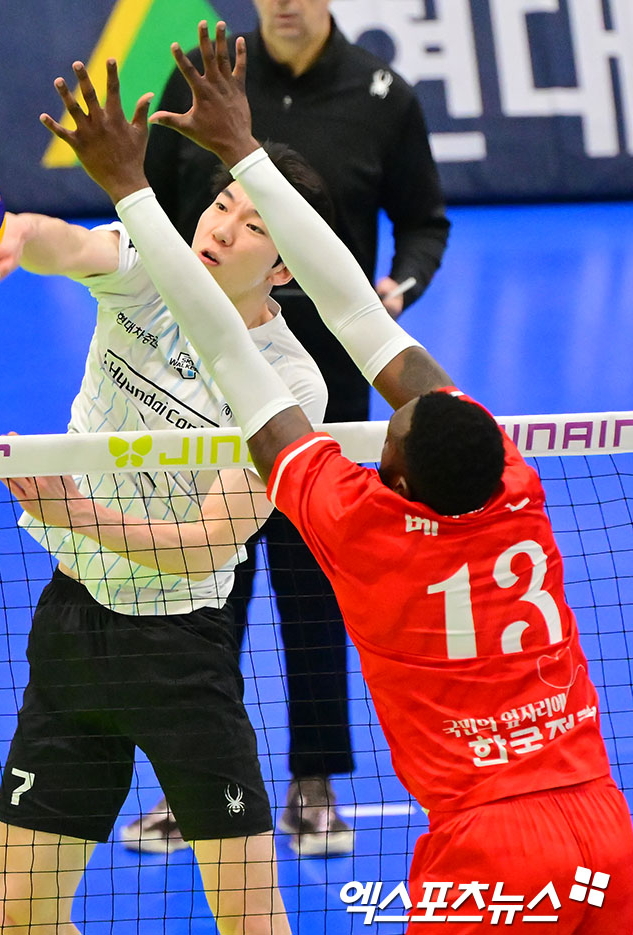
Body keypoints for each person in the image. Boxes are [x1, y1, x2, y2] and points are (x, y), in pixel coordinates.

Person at [50, 23, 632, 932]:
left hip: (489, 851)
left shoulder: (365, 523)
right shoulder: (511, 483)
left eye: (387, 436)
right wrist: (245, 153)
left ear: (394, 475)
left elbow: (227, 343)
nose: (385, 420)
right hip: (604, 823)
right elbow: (362, 318)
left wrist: (130, 187)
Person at [0, 65, 331, 935]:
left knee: (253, 921)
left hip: (182, 654)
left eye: (253, 226)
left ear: (284, 267)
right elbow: (70, 246)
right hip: (73, 633)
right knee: (22, 921)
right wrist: (15, 234)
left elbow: (207, 546)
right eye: (224, 205)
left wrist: (70, 512)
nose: (221, 227)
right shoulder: (147, 272)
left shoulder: (291, 383)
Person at [129, 0, 453, 858]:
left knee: (314, 588)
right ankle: (193, 782)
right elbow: (147, 208)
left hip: (331, 386)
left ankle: (314, 783)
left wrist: (398, 288)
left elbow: (425, 222)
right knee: (208, 585)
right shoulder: (207, 86)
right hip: (208, 378)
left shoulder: (384, 96)